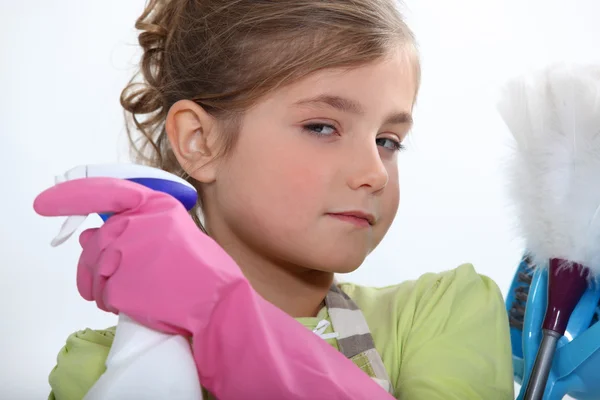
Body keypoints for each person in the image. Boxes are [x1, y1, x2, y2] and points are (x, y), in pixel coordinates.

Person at [36, 0, 514, 398]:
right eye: (322, 127)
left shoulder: (442, 311)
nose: (373, 173)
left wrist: (219, 313)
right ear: (200, 141)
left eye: (387, 141)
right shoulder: (100, 366)